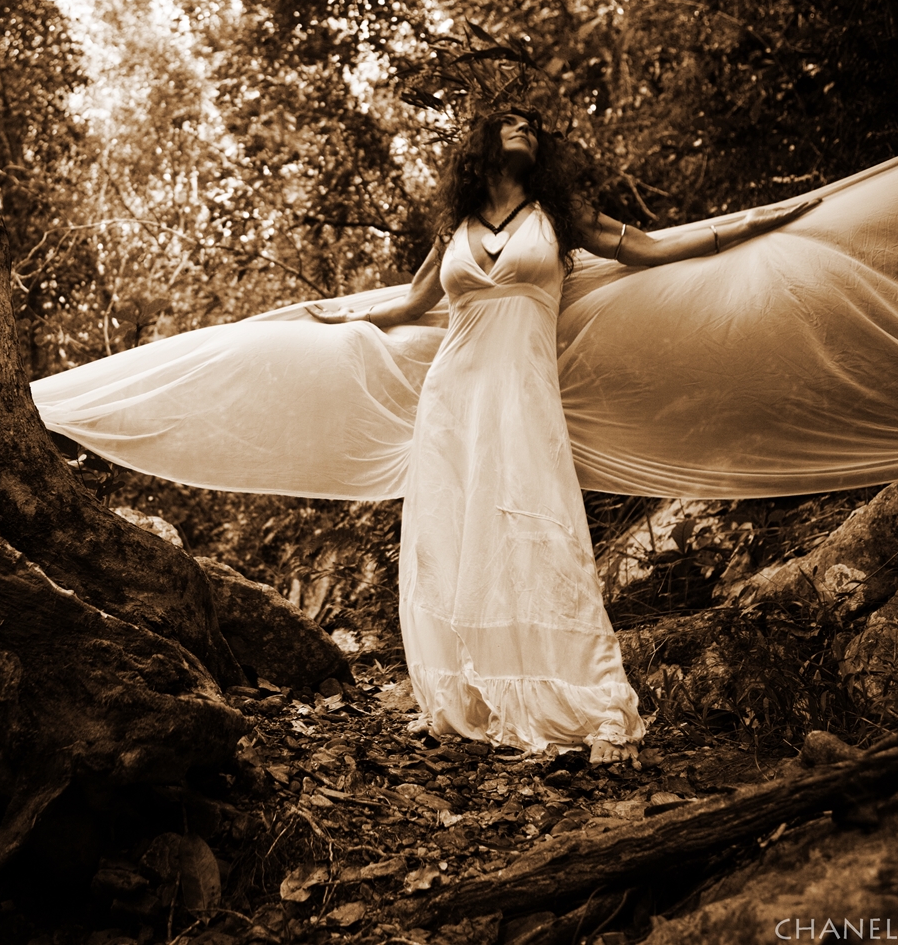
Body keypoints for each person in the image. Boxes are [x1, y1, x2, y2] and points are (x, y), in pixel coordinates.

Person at [307, 109, 818, 764]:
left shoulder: (559, 215)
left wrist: (748, 225)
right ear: (482, 143)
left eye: (532, 123)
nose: (524, 127)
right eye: (509, 121)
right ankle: (463, 697)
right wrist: (341, 318)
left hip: (523, 394)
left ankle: (583, 697)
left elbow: (651, 249)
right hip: (452, 397)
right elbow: (411, 303)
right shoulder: (453, 227)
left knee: (539, 526)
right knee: (451, 534)